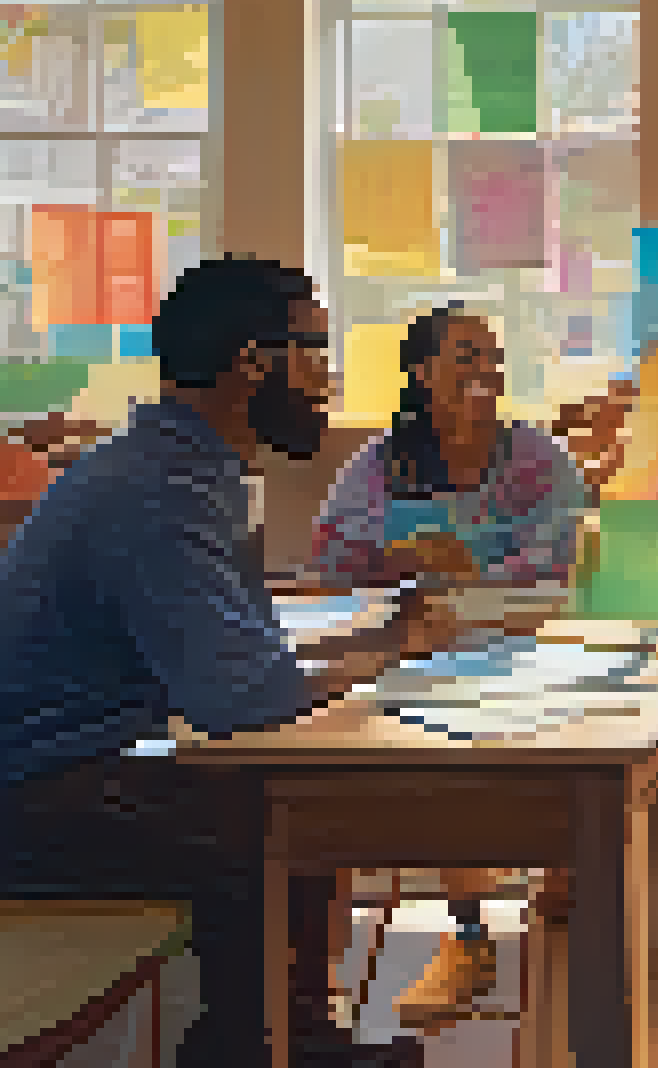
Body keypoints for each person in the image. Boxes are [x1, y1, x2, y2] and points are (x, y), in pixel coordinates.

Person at [0, 257, 457, 1067]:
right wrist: (389, 648)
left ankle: (289, 1039)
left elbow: (247, 655)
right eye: (317, 350)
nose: (329, 378)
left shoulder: (181, 468)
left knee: (287, 804)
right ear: (254, 361)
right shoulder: (160, 491)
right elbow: (242, 698)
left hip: (61, 772)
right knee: (280, 824)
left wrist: (374, 642)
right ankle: (256, 1049)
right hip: (28, 801)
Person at [305, 304, 593, 1033]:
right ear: (422, 373)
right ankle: (468, 934)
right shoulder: (384, 461)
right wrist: (392, 558)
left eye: (491, 357)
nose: (484, 372)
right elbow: (332, 553)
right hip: (424, 651)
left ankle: (555, 885)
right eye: (466, 357)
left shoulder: (534, 455)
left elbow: (565, 546)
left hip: (530, 646)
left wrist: (478, 573)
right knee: (428, 763)